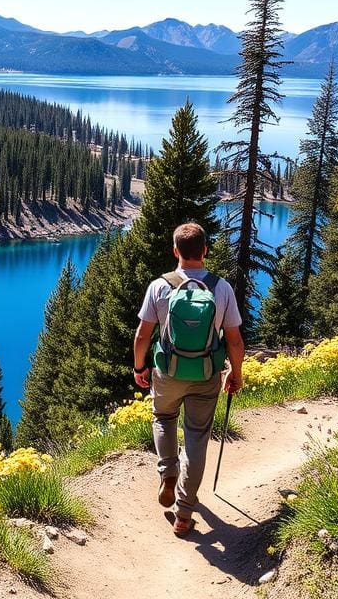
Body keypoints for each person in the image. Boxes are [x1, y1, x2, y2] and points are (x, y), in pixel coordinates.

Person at [132, 222, 245, 536]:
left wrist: (140, 367)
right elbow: (234, 341)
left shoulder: (160, 286)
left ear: (175, 251)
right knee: (196, 437)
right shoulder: (221, 288)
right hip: (206, 373)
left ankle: (169, 471)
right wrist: (235, 374)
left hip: (167, 371)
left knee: (163, 417)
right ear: (205, 251)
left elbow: (143, 335)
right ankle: (183, 513)